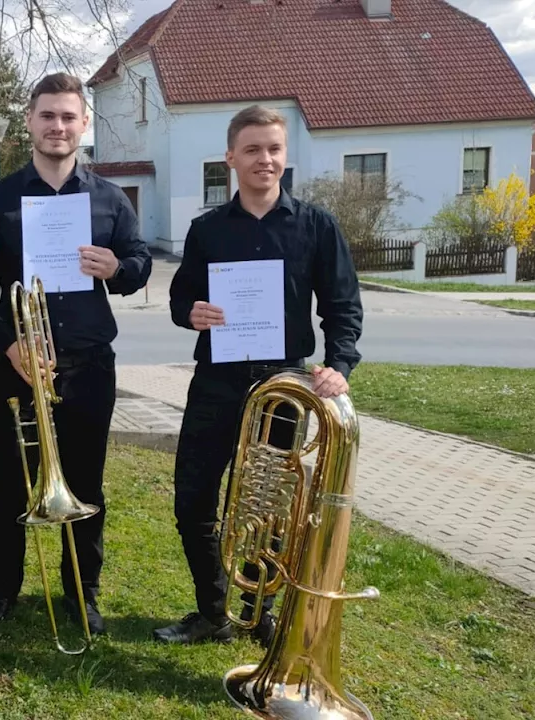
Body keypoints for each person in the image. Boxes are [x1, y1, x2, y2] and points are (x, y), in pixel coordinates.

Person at [152, 105, 363, 647]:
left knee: (270, 508)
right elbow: (181, 299)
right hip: (217, 381)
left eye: (273, 149)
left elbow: (342, 306)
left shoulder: (318, 226)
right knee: (193, 498)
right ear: (230, 158)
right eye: (252, 149)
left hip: (283, 389)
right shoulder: (206, 230)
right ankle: (213, 611)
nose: (264, 160)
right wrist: (191, 312)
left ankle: (258, 611)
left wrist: (338, 365)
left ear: (284, 156)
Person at [0, 72, 152, 634]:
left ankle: (81, 592)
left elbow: (138, 263)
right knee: (7, 483)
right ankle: (1, 590)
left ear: (84, 123)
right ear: (29, 122)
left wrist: (117, 269)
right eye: (48, 116)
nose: (58, 126)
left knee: (86, 483)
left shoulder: (111, 199)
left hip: (90, 367)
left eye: (69, 116)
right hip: (21, 365)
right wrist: (10, 344)